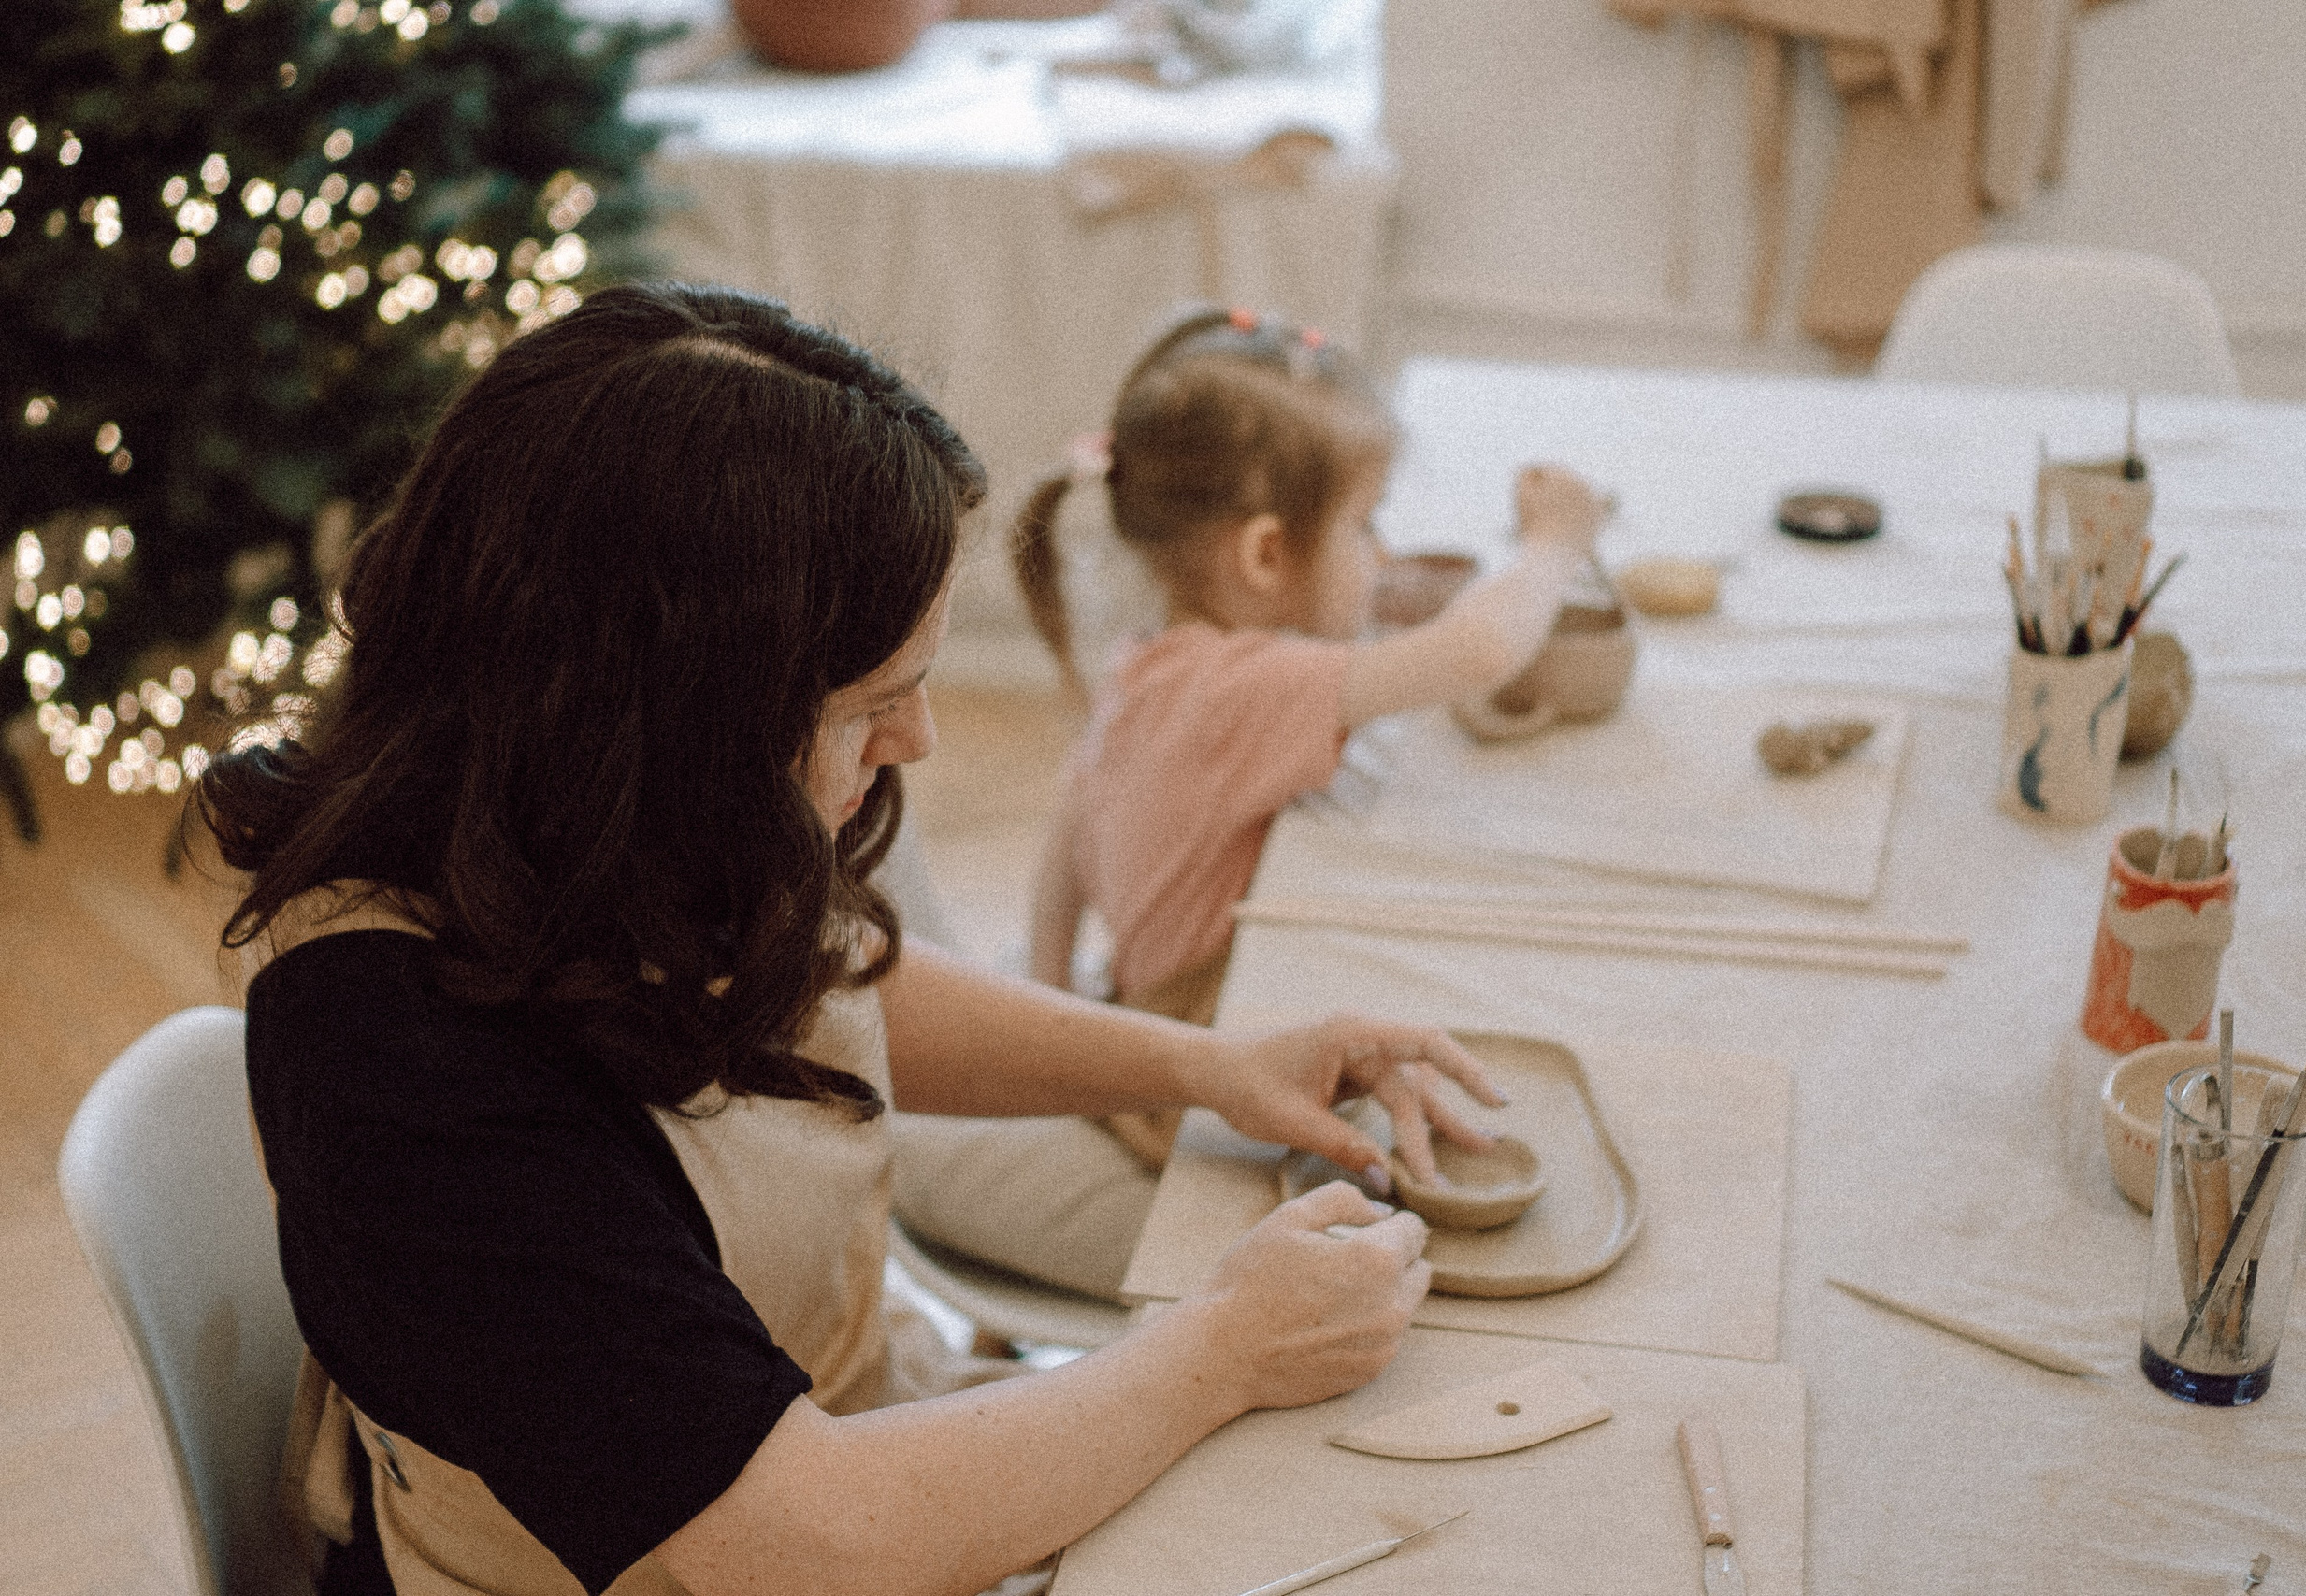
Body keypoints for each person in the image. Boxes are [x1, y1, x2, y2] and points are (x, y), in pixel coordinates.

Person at [203, 281, 1506, 1596]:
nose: (919, 742)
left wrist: (1205, 1063)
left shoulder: (604, 811)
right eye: (874, 700)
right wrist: (1222, 1344)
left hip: (836, 1459)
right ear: (661, 705)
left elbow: (831, 982)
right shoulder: (404, 1070)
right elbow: (801, 1539)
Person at [886, 310, 1605, 1297]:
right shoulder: (1242, 692)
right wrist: (1556, 543)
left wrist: (1057, 1000)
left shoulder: (1157, 662)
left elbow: (1067, 840)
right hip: (1198, 1093)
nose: (1382, 555)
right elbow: (1481, 653)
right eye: (1363, 525)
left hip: (1148, 1019)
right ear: (1265, 557)